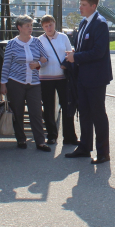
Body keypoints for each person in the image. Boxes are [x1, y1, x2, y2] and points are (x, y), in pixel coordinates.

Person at [65, 0, 113, 164]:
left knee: (97, 114)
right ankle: (84, 147)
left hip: (96, 77)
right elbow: (83, 46)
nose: (80, 7)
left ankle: (103, 153)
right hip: (82, 76)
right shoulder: (84, 22)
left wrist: (76, 57)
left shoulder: (100, 24)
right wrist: (74, 53)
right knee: (84, 113)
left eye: (84, 5)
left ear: (93, 6)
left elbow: (98, 52)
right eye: (80, 4)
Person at [0, 15, 50, 151]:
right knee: (18, 112)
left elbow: (46, 58)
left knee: (36, 112)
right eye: (27, 26)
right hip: (16, 81)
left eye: (31, 25)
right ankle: (21, 139)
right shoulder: (12, 44)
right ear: (19, 28)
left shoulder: (36, 42)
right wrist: (3, 83)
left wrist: (38, 64)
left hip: (34, 82)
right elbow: (6, 64)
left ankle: (40, 141)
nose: (30, 28)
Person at [38, 14, 77, 145]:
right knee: (48, 107)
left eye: (50, 25)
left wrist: (65, 64)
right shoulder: (39, 40)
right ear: (43, 27)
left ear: (54, 24)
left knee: (67, 106)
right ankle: (51, 135)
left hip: (62, 77)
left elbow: (69, 53)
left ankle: (69, 136)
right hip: (45, 77)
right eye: (46, 26)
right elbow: (36, 57)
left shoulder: (63, 37)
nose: (49, 28)